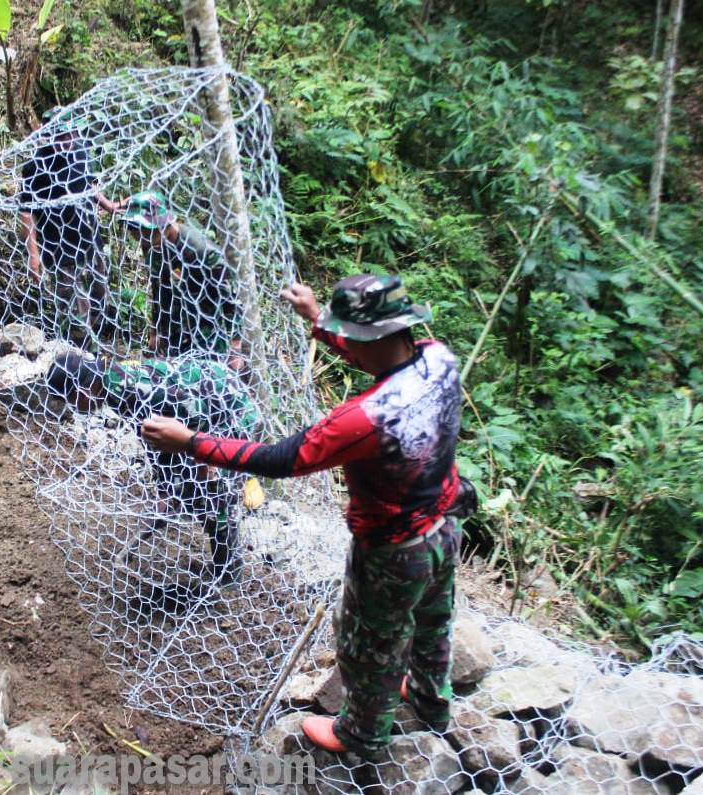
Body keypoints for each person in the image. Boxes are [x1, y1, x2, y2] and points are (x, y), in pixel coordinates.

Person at [141, 274, 465, 760]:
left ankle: (362, 734)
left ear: (370, 337)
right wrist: (317, 319)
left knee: (368, 645)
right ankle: (430, 701)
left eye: (349, 335)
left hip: (394, 551)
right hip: (447, 525)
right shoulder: (439, 358)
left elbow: (279, 459)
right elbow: (375, 352)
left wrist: (190, 441)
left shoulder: (363, 419)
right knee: (433, 620)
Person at [45, 350, 261, 586]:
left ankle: (229, 578)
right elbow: (153, 436)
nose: (74, 407)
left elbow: (193, 408)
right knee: (188, 490)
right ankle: (220, 560)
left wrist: (206, 462)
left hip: (230, 411)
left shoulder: (127, 387)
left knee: (217, 493)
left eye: (71, 399)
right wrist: (164, 487)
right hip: (205, 413)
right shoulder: (113, 387)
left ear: (81, 389)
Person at [20, 107, 122, 345]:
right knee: (73, 298)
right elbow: (26, 213)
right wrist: (33, 255)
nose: (65, 141)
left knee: (99, 286)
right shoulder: (35, 166)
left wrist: (109, 205)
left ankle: (98, 335)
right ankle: (82, 347)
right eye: (58, 136)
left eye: (69, 135)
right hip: (59, 244)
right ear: (47, 134)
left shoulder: (82, 150)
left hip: (89, 236)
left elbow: (89, 183)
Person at [118, 191, 243, 364]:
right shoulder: (155, 248)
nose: (136, 236)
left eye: (141, 230)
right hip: (174, 334)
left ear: (163, 225)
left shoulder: (203, 252)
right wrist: (156, 332)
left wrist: (235, 346)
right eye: (133, 229)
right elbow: (159, 291)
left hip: (207, 333)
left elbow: (232, 299)